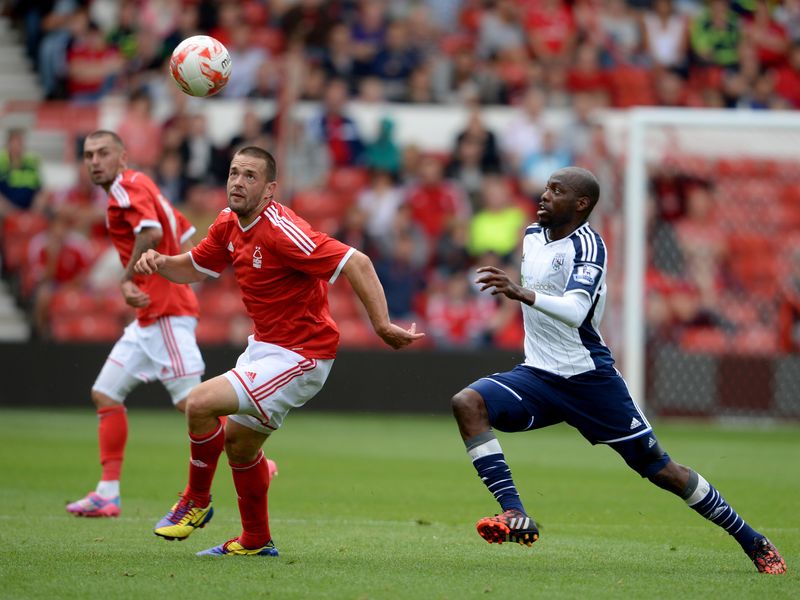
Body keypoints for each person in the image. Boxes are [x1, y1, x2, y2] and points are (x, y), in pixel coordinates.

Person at [449, 166, 786, 575]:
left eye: (555, 191)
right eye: (545, 188)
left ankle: (753, 541)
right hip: (537, 374)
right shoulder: (533, 237)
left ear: (581, 204)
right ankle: (514, 513)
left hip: (589, 379)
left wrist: (522, 292)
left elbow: (575, 311)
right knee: (468, 403)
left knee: (664, 471)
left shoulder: (590, 247)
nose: (543, 195)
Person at [134, 146, 424, 557]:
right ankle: (255, 541)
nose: (238, 181)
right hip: (265, 349)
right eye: (234, 172)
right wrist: (161, 261)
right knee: (239, 446)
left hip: (302, 355)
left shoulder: (282, 229)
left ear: (270, 189)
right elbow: (195, 269)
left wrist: (381, 325)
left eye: (250, 176)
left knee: (198, 404)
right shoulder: (227, 223)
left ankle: (196, 502)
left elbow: (356, 263)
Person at [66, 130, 206, 518]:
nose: (94, 161)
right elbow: (183, 230)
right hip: (150, 317)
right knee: (105, 394)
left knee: (195, 407)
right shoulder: (142, 183)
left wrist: (128, 278)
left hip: (165, 313)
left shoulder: (125, 188)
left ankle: (257, 460)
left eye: (103, 153)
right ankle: (107, 493)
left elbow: (153, 231)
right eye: (88, 154)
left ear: (122, 157)